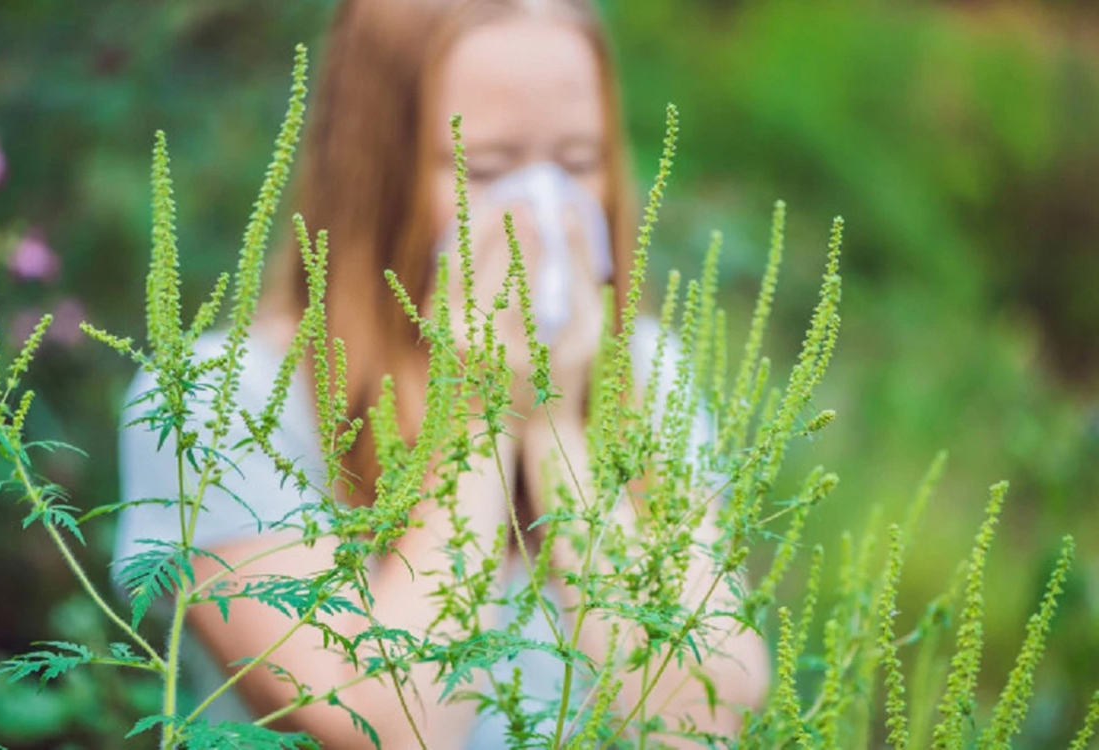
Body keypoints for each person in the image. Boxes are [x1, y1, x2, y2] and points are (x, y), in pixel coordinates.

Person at [115, 0, 768, 747]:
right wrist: (485, 411)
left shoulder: (653, 373)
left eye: (578, 161)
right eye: (486, 168)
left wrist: (555, 424)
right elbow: (387, 726)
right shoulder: (225, 400)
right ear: (375, 174)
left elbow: (705, 715)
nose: (541, 211)